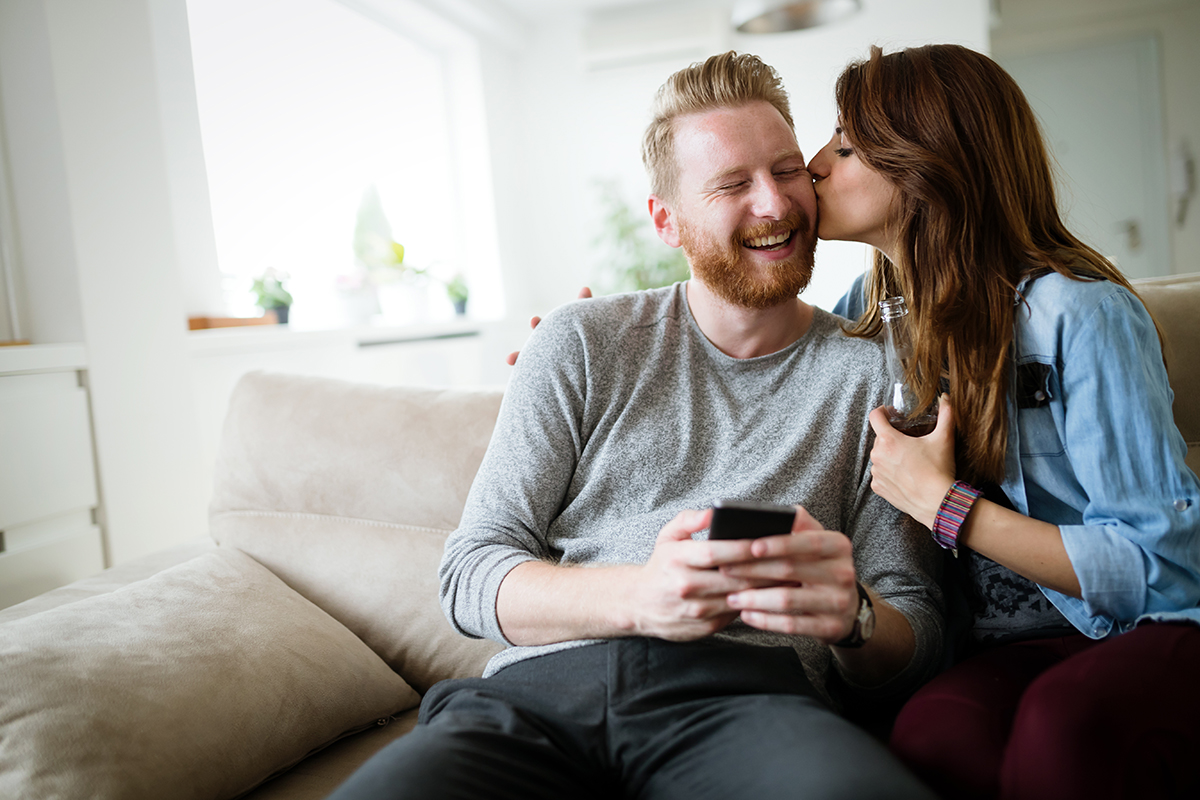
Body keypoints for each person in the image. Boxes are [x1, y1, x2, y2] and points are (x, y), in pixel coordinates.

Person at [327, 51, 943, 800]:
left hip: (747, 699)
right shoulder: (581, 340)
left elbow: (917, 627)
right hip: (535, 703)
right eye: (731, 185)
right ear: (667, 221)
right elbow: (470, 574)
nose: (775, 205)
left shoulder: (876, 373)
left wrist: (855, 619)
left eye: (787, 171)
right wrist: (643, 595)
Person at [807, 44, 1200, 799]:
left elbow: (1162, 568)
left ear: (928, 161)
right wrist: (617, 355)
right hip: (992, 647)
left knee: (1062, 730)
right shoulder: (867, 312)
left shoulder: (1082, 315)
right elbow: (763, 376)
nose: (814, 164)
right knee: (932, 737)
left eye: (848, 144)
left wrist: (946, 507)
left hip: (1141, 629)